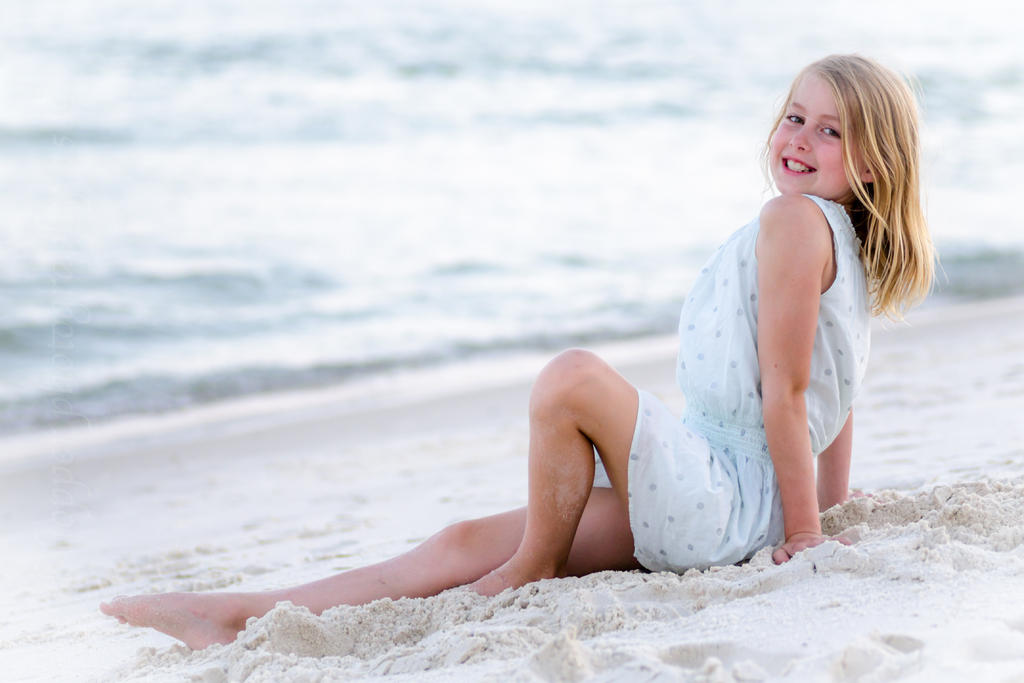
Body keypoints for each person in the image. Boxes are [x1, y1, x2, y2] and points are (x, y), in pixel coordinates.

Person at [100, 54, 934, 650]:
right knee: (464, 540)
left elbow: (793, 391)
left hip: (726, 500)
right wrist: (828, 503)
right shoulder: (842, 241)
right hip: (735, 502)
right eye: (795, 116)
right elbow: (839, 391)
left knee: (571, 379)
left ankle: (534, 567)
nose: (800, 137)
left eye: (831, 131)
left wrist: (807, 532)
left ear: (873, 166)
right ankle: (233, 614)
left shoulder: (792, 222)